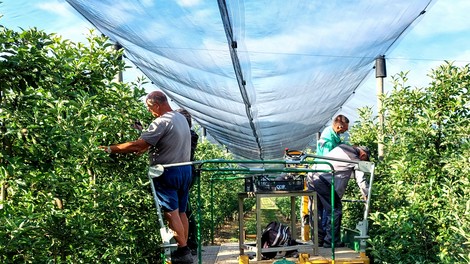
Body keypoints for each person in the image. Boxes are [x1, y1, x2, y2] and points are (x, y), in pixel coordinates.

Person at [99, 91, 193, 263]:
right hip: (185, 170)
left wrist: (111, 149)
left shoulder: (162, 121)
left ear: (157, 105)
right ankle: (184, 248)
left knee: (170, 212)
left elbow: (138, 145)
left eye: (150, 108)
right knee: (181, 211)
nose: (150, 112)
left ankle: (183, 249)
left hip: (167, 172)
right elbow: (162, 143)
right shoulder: (180, 118)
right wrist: (144, 145)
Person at [308, 144, 370, 248]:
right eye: (365, 160)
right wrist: (366, 195)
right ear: (363, 154)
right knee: (335, 209)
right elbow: (361, 178)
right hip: (324, 181)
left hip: (313, 176)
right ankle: (331, 242)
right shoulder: (353, 157)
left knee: (316, 210)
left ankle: (318, 240)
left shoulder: (342, 147)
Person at [175, 108, 199, 255]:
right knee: (184, 209)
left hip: (182, 174)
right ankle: (189, 244)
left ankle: (188, 244)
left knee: (183, 210)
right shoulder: (191, 135)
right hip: (186, 173)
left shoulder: (189, 135)